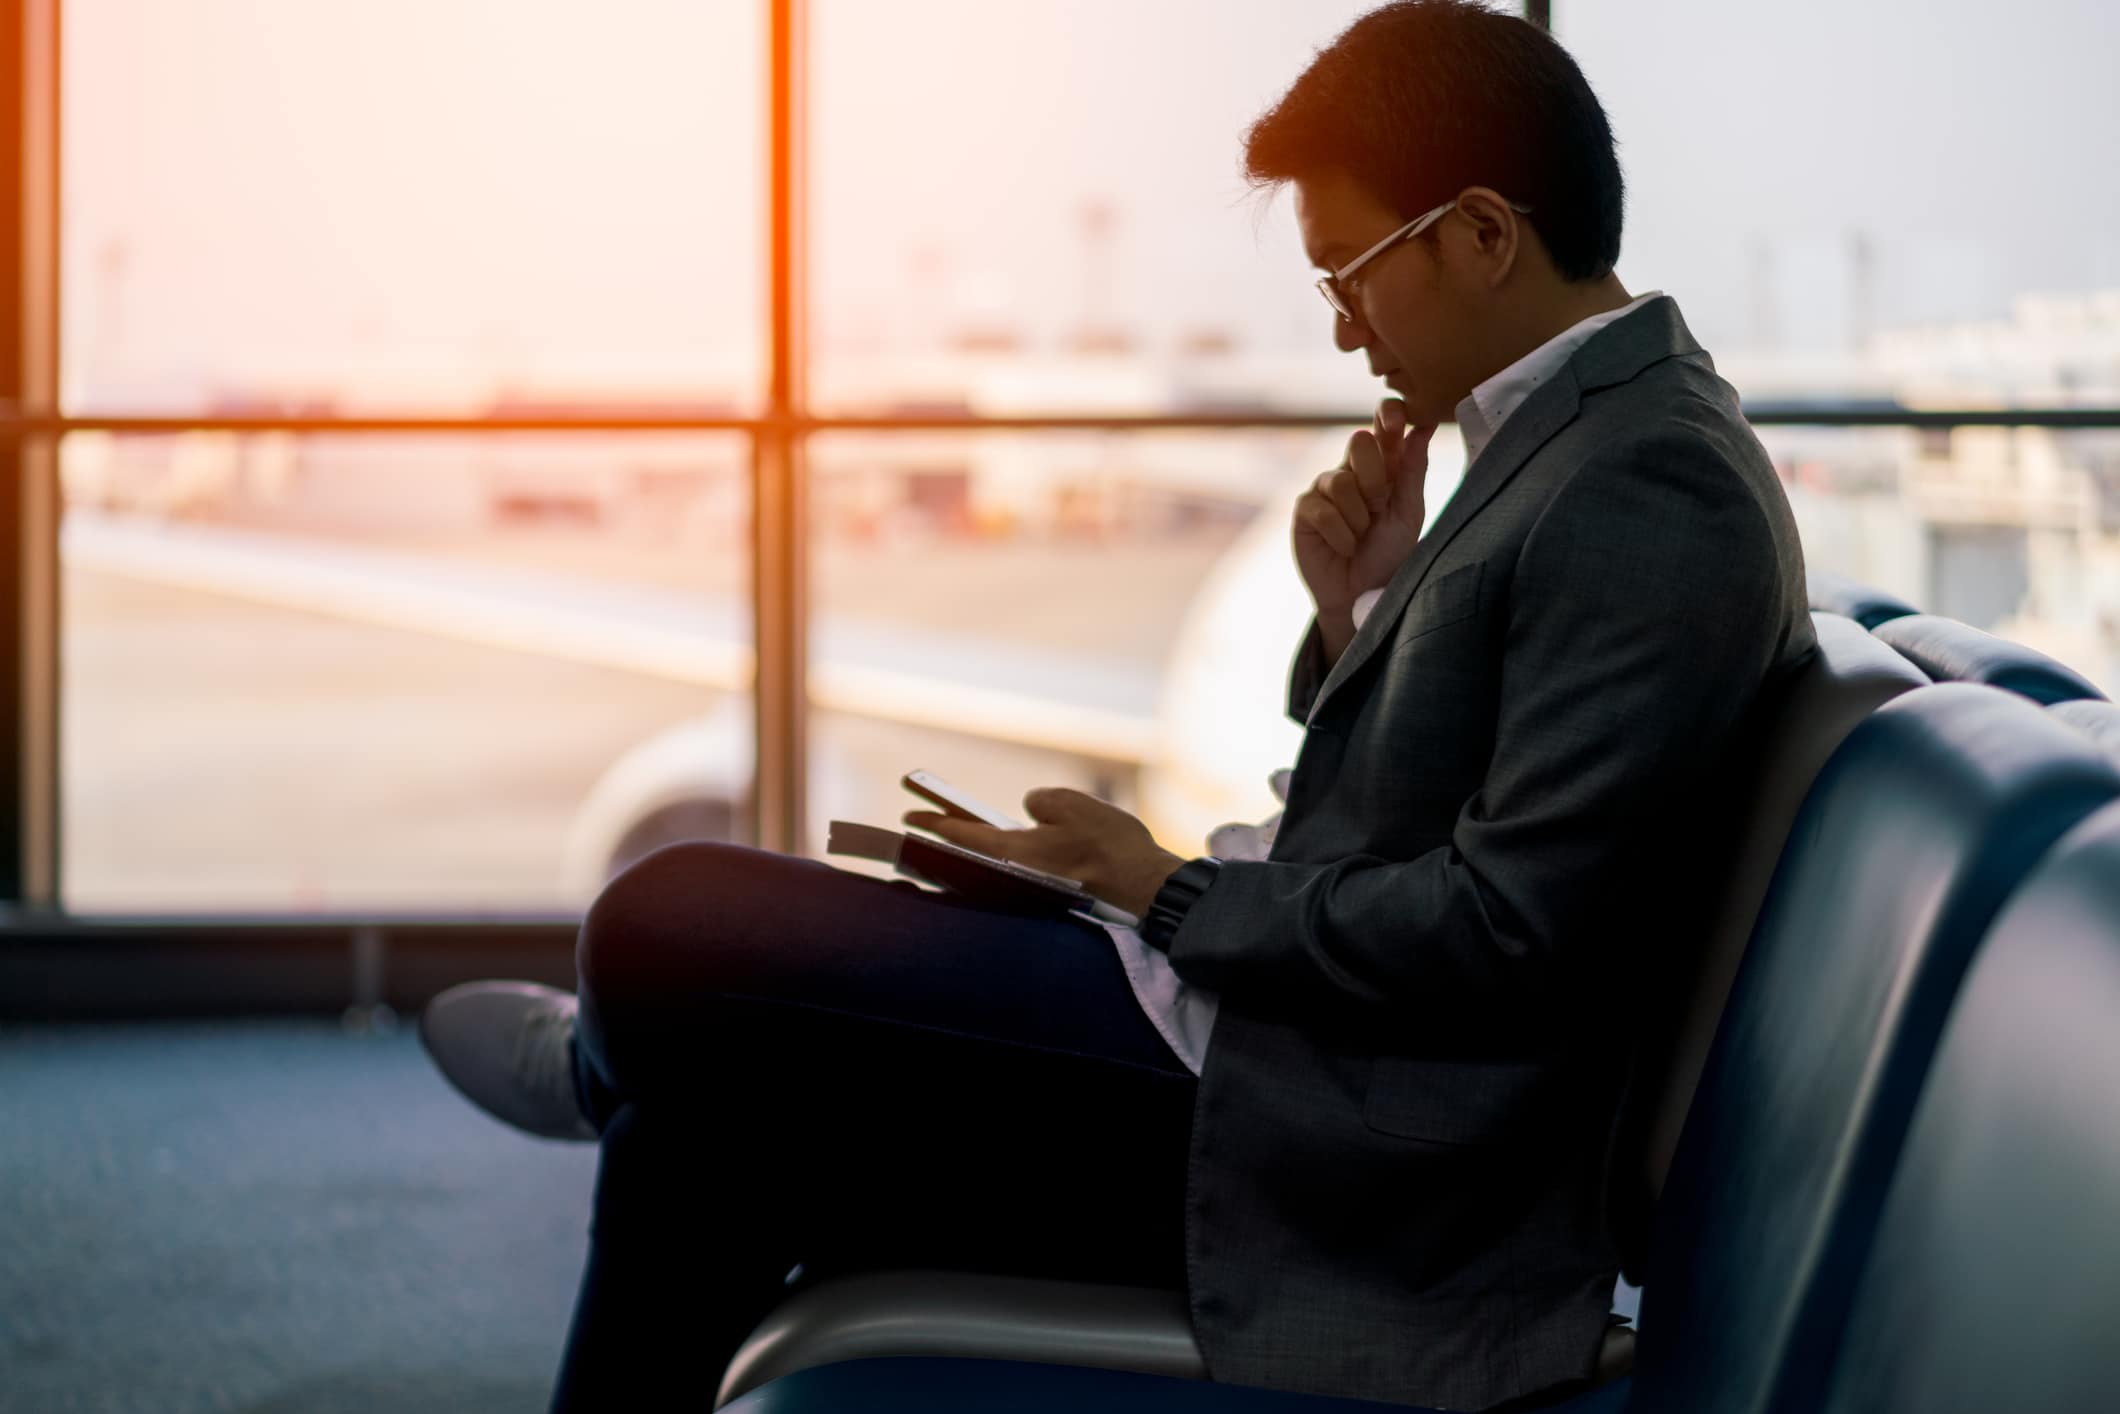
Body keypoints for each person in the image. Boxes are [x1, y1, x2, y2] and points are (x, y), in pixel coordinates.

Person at [419, 3, 1817, 1409]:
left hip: (1326, 1145)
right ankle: (632, 1063)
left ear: (1481, 234)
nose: (1343, 333)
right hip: (1259, 1039)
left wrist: (1161, 892)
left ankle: (606, 1048)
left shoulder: (1654, 486)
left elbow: (1512, 936)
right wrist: (1361, 616)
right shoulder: (1573, 437)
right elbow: (1477, 804)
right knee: (697, 1136)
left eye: (1351, 276)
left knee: (663, 924)